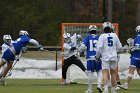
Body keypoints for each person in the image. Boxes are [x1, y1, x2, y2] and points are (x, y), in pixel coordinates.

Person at [96, 22, 122, 93]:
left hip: (105, 57)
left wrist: (97, 56)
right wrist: (116, 52)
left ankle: (106, 89)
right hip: (114, 57)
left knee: (105, 72)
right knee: (113, 73)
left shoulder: (102, 36)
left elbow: (99, 48)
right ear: (111, 28)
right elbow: (119, 47)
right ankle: (113, 90)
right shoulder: (115, 35)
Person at [80, 25, 102, 93]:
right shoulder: (99, 37)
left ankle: (90, 89)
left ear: (89, 31)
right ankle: (99, 85)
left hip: (90, 58)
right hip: (98, 57)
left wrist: (81, 53)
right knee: (99, 71)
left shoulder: (87, 37)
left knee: (90, 73)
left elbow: (83, 47)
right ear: (96, 31)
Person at [118, 25, 140, 90]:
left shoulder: (138, 37)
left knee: (131, 71)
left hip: (136, 57)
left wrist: (131, 48)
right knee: (139, 71)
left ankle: (126, 85)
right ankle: (126, 84)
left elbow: (137, 47)